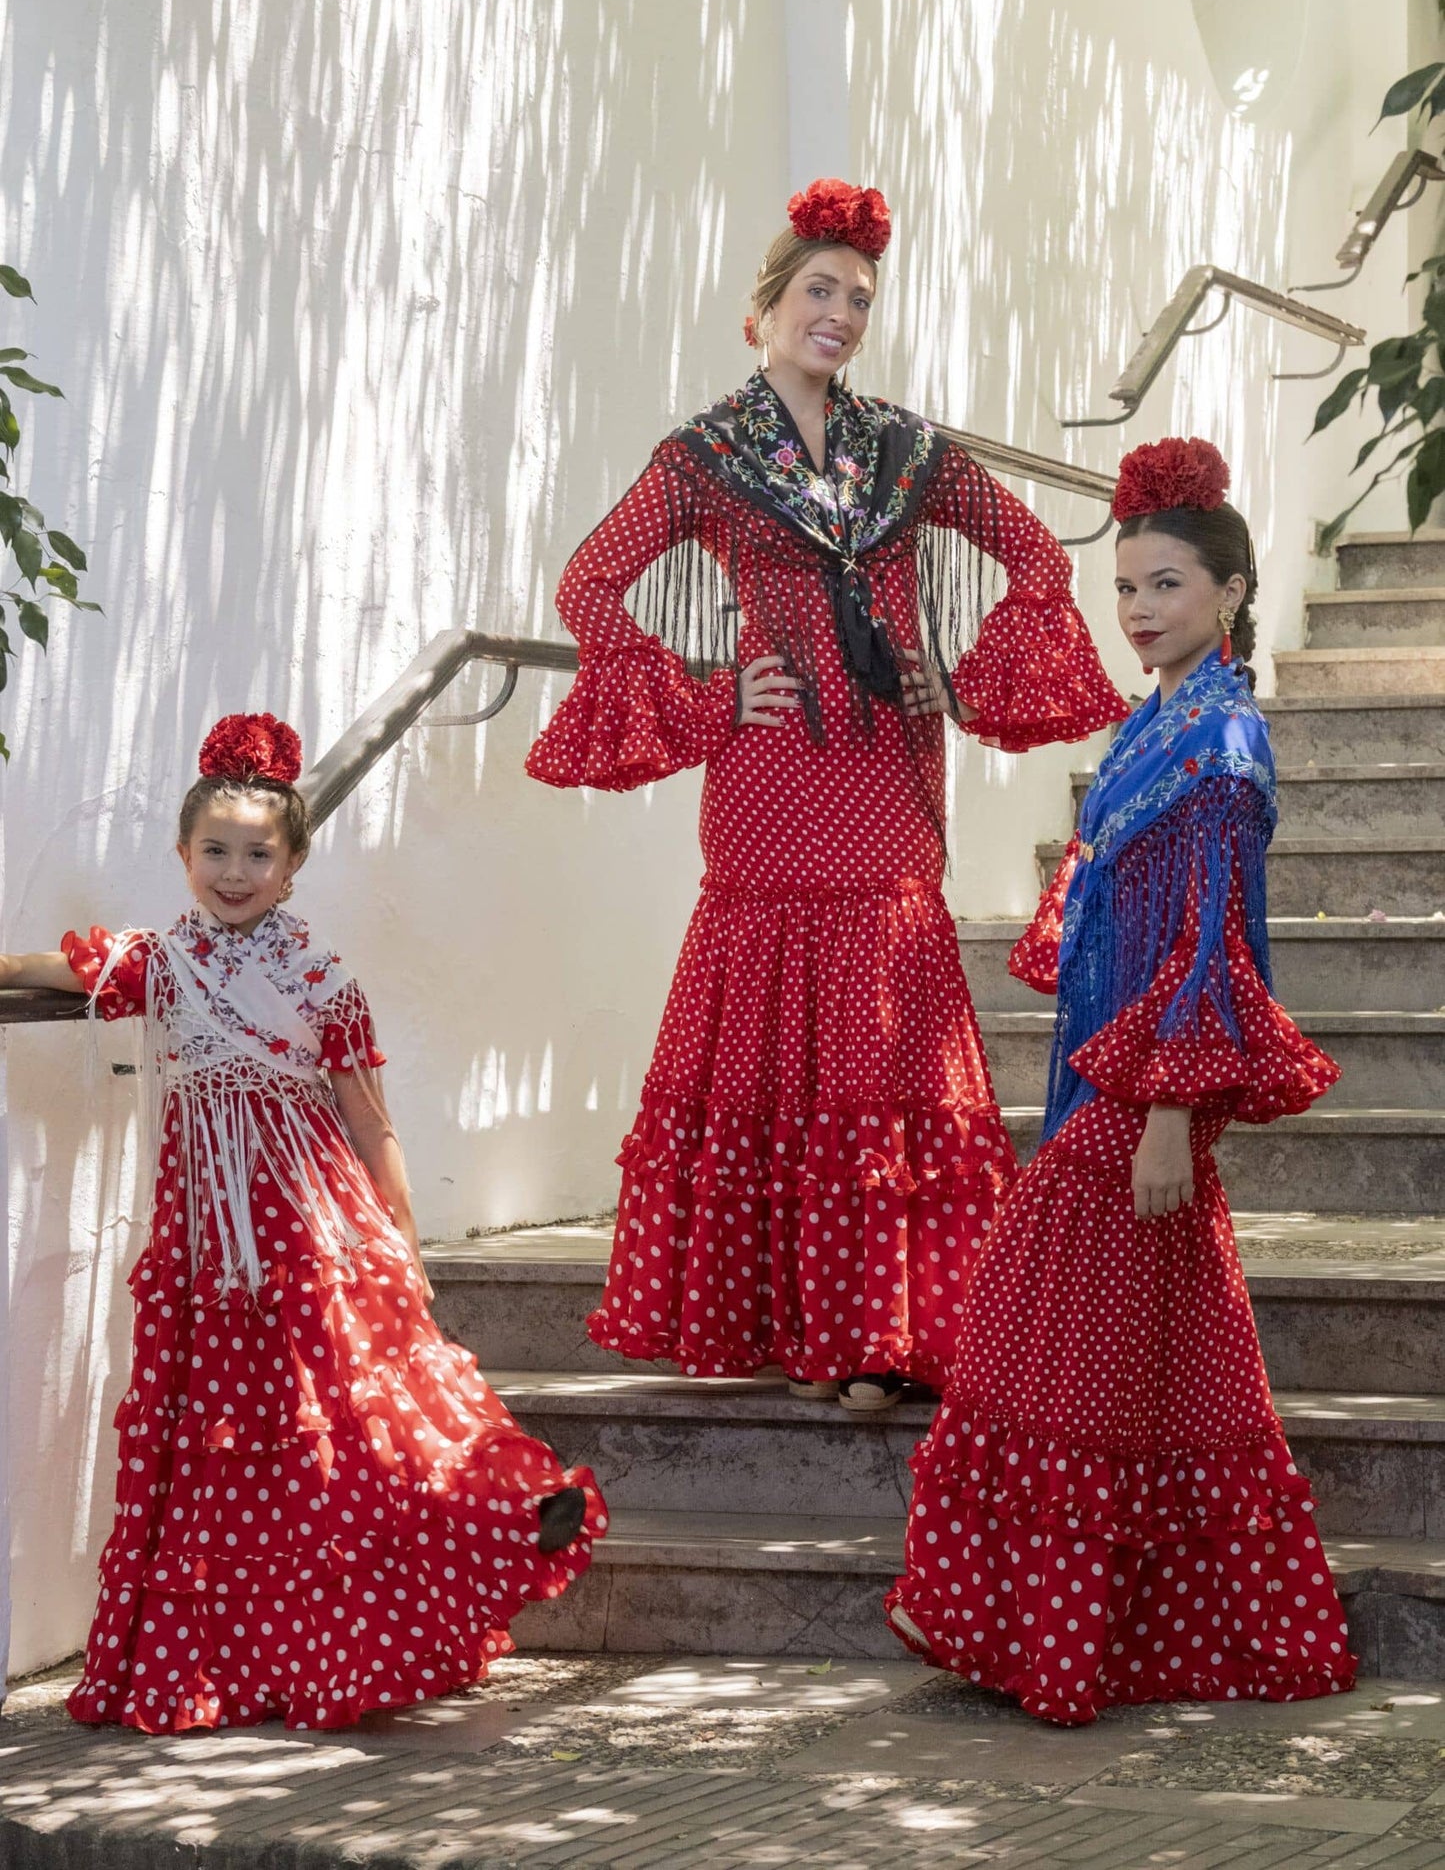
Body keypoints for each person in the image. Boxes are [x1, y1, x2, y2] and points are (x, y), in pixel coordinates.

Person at [527, 179, 1126, 1413]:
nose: (839, 312)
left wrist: (952, 674)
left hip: (886, 772)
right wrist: (704, 697)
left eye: (858, 297)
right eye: (818, 290)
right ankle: (792, 1321)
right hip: (767, 775)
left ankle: (882, 1333)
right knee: (777, 1027)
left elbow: (1026, 549)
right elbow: (587, 584)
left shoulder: (904, 450)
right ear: (764, 308)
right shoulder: (702, 456)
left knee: (880, 1019)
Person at [2, 712, 605, 1733]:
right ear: (184, 856)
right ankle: (249, 1664)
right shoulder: (157, 962)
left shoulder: (324, 983)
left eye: (257, 854)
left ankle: (512, 1507)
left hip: (315, 1234)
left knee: (366, 1421)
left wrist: (401, 1238)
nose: (234, 872)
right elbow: (47, 971)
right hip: (208, 1257)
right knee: (236, 1453)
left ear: (291, 867)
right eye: (215, 851)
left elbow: (371, 1123)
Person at [886, 436, 1356, 1722]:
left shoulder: (1223, 747)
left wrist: (1163, 1117)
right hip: (1096, 1072)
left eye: (1166, 586)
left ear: (1230, 592)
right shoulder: (1155, 720)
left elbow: (1212, 945)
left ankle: (1076, 1641)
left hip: (1137, 1095)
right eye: (1127, 589)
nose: (1141, 611)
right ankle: (1123, 1631)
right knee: (1154, 1363)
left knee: (1077, 1359)